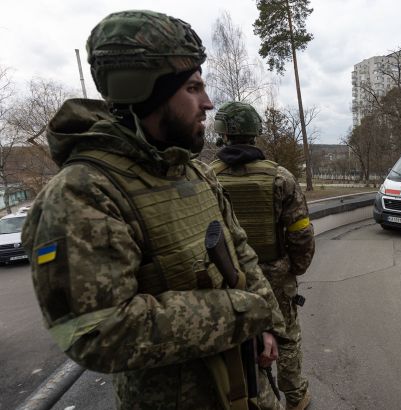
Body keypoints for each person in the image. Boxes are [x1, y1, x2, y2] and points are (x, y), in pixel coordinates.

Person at [21, 10, 286, 410]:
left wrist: (267, 324)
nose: (208, 103)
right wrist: (240, 312)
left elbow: (240, 249)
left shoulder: (194, 171)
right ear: (147, 91)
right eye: (193, 88)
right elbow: (96, 331)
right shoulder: (83, 194)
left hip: (247, 385)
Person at [210, 102, 315, 410]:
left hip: (227, 276)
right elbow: (301, 232)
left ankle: (246, 396)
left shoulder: (206, 178)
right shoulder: (280, 177)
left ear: (222, 136)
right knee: (287, 335)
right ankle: (295, 397)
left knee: (236, 337)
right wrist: (293, 268)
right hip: (275, 273)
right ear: (255, 134)